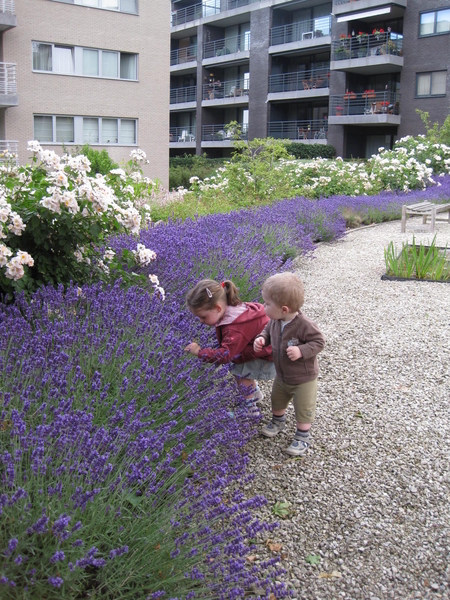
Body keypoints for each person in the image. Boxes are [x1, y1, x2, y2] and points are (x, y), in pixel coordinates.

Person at [253, 272, 325, 456]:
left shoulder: (304, 325)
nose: (264, 306)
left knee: (304, 408)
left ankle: (303, 436)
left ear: (284, 309)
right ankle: (278, 421)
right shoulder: (275, 321)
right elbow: (267, 332)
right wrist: (262, 339)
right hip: (282, 375)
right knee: (277, 400)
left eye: (267, 304)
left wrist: (301, 351)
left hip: (303, 379)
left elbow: (318, 342)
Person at [184, 279, 275, 413]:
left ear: (217, 308)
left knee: (241, 373)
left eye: (203, 317)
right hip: (262, 346)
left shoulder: (234, 327)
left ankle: (250, 410)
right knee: (241, 369)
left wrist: (200, 352)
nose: (201, 321)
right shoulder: (233, 309)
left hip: (264, 352)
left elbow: (225, 355)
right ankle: (255, 395)